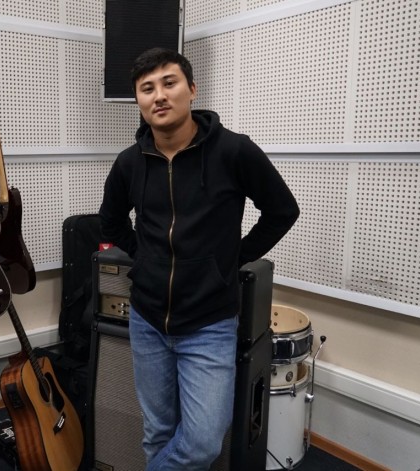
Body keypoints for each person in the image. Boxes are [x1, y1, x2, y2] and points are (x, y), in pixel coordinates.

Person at [98, 47, 300, 470]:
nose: (159, 96)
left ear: (192, 89)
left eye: (169, 83)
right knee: (158, 432)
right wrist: (145, 258)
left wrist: (233, 257)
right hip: (147, 320)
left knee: (204, 443)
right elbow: (111, 221)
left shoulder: (234, 151)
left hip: (209, 324)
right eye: (147, 89)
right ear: (138, 100)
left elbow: (282, 210)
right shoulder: (129, 163)